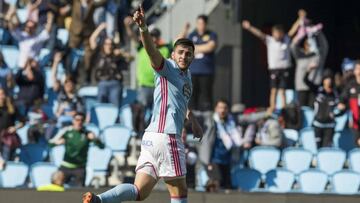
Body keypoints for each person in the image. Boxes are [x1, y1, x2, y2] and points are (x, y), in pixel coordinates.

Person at [82, 5, 203, 203]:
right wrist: (143, 29)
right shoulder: (168, 68)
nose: (183, 56)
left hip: (151, 138)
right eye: (180, 52)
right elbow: (151, 51)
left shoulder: (186, 75)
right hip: (168, 136)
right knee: (179, 192)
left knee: (140, 192)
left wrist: (193, 120)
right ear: (172, 54)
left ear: (192, 57)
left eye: (188, 54)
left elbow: (180, 102)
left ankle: (99, 200)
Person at [242, 20, 292, 113]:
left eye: (279, 33)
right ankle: (272, 106)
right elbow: (259, 34)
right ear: (272, 33)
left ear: (282, 33)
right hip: (274, 69)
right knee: (273, 90)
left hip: (284, 68)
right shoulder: (270, 40)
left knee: (282, 90)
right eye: (275, 33)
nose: (277, 35)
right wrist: (249, 27)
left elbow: (293, 31)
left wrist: (300, 20)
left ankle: (284, 107)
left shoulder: (286, 40)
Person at [198, 99, 245, 190]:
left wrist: (267, 113)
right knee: (216, 182)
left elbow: (249, 118)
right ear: (216, 108)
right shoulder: (211, 119)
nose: (222, 110)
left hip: (226, 160)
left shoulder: (231, 121)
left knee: (227, 186)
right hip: (213, 159)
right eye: (220, 107)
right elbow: (197, 115)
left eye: (225, 108)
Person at [49, 112, 104, 187]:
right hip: (65, 166)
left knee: (79, 192)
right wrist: (56, 143)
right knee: (56, 186)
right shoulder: (67, 131)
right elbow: (50, 144)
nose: (79, 122)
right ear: (73, 121)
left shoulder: (87, 133)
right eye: (77, 120)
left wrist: (95, 139)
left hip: (80, 168)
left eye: (81, 120)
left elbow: (102, 146)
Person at [290, 9, 328, 107]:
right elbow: (292, 46)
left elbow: (325, 46)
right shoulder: (300, 55)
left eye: (312, 43)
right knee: (301, 111)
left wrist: (316, 31)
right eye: (308, 44)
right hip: (301, 87)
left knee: (312, 110)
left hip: (314, 87)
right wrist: (301, 34)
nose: (310, 45)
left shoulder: (318, 55)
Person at [179, 15, 217, 111]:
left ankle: (206, 117)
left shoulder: (212, 35)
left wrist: (193, 48)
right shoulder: (192, 35)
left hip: (206, 72)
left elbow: (210, 47)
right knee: (192, 96)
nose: (200, 26)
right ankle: (192, 119)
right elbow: (179, 43)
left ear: (206, 24)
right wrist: (185, 30)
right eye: (198, 23)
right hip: (193, 71)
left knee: (206, 97)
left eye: (202, 23)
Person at [90, 22, 133, 107]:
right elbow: (92, 40)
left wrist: (121, 53)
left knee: (115, 107)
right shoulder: (99, 53)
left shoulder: (117, 55)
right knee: (101, 106)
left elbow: (132, 58)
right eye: (106, 44)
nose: (109, 46)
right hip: (102, 82)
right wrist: (100, 28)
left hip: (115, 83)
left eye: (110, 44)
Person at [304, 67, 343, 148]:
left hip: (330, 125)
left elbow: (343, 105)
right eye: (326, 79)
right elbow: (305, 80)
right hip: (318, 124)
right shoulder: (318, 90)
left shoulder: (336, 93)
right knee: (318, 147)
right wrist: (308, 70)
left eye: (330, 79)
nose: (328, 81)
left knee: (326, 148)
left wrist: (338, 112)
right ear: (323, 80)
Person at [338, 60, 360, 146]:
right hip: (355, 121)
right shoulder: (351, 85)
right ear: (354, 71)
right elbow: (343, 99)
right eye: (358, 69)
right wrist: (341, 104)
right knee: (357, 143)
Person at [0, 88, 24, 161]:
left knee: (6, 160)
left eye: (2, 94)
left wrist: (15, 128)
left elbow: (22, 121)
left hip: (7, 139)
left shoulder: (11, 108)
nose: (1, 96)